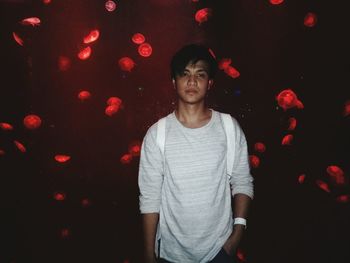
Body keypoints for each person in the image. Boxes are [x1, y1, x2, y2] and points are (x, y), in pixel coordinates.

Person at [138, 44, 254, 263]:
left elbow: (242, 181)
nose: (192, 82)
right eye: (184, 74)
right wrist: (147, 254)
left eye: (200, 75)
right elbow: (150, 198)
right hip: (171, 254)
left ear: (210, 83)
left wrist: (238, 232)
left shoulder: (228, 127)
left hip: (220, 249)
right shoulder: (157, 134)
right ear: (174, 82)